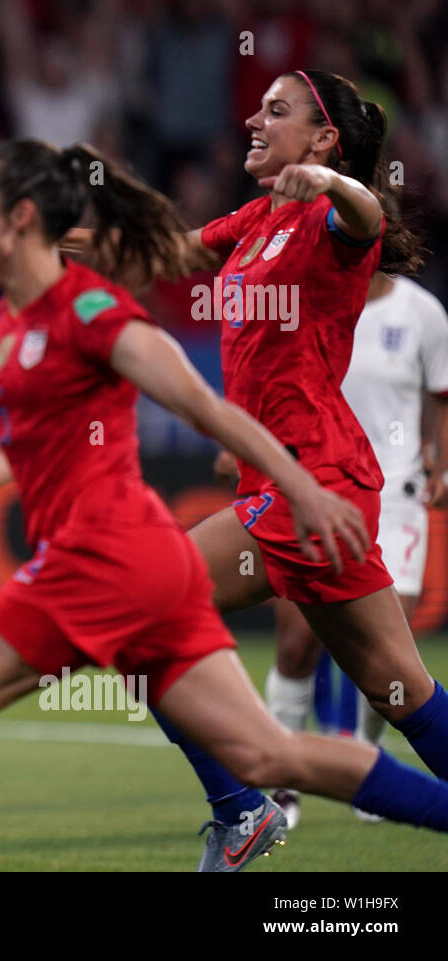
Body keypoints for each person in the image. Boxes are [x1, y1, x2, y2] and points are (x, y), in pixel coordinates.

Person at [0, 137, 448, 873]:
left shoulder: (92, 310)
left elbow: (205, 408)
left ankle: (239, 811)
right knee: (265, 750)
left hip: (105, 559)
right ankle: (250, 810)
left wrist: (303, 487)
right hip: (139, 569)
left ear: (20, 218)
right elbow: (3, 448)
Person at [59, 68, 448, 870]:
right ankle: (244, 805)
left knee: (136, 608)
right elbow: (162, 255)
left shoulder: (335, 224)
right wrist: (44, 239)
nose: (253, 118)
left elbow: (368, 214)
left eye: (277, 111)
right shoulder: (263, 214)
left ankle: (239, 809)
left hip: (312, 483)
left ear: (324, 137)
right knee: (401, 689)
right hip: (304, 481)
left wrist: (333, 182)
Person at [257, 270, 448, 827]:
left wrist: (442, 459)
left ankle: (372, 760)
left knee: (392, 664)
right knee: (296, 640)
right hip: (315, 489)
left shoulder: (422, 313)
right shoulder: (307, 299)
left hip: (396, 497)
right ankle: (281, 788)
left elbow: (443, 394)